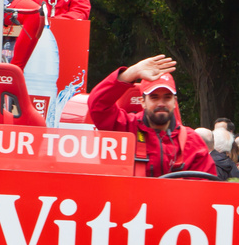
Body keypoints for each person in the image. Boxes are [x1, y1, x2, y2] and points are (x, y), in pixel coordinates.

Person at [85, 55, 216, 177]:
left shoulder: (192, 142)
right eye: (154, 97)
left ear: (174, 102)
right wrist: (132, 73)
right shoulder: (124, 127)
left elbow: (205, 189)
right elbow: (97, 105)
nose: (161, 103)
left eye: (167, 97)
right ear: (142, 102)